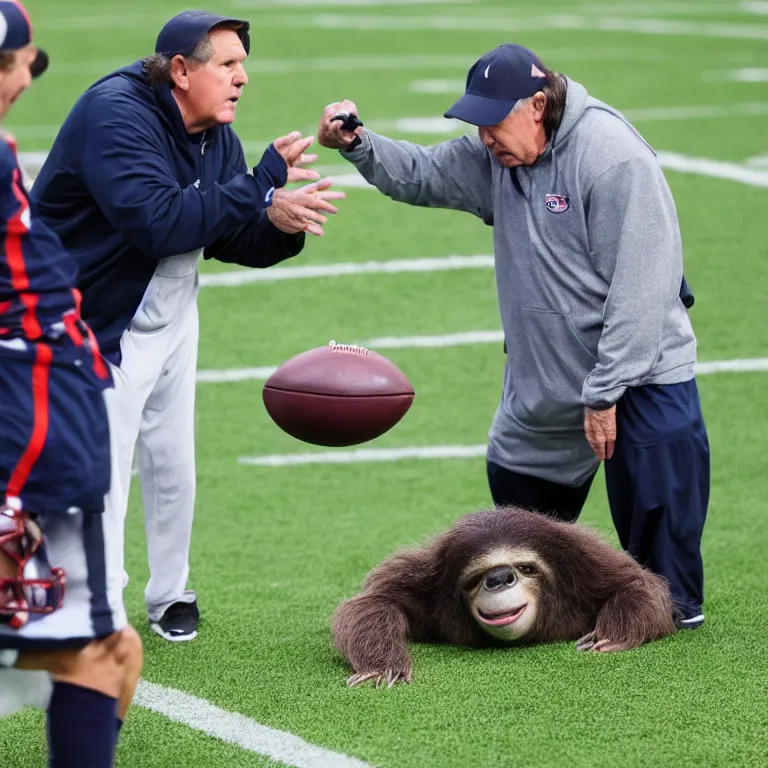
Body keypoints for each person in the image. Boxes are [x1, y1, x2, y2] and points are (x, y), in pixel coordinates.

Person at [317, 43, 710, 630]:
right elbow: (423, 174)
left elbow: (643, 290)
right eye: (475, 125)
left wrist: (606, 391)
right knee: (518, 539)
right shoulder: (499, 156)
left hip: (641, 380)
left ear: (537, 105)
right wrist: (360, 145)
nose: (483, 138)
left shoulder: (612, 157)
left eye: (492, 123)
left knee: (668, 596)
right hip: (545, 379)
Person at [31, 11, 345, 643]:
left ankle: (170, 592)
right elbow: (161, 223)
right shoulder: (116, 115)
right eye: (228, 65)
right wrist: (261, 187)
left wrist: (279, 226)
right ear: (180, 69)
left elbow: (222, 230)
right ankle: (100, 611)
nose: (243, 78)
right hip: (93, 319)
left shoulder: (212, 131)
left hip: (170, 310)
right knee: (103, 476)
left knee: (175, 462)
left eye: (242, 65)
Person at [0, 2, 143, 765]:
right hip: (29, 431)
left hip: (41, 417)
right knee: (97, 656)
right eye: (25, 62)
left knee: (113, 652)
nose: (30, 76)